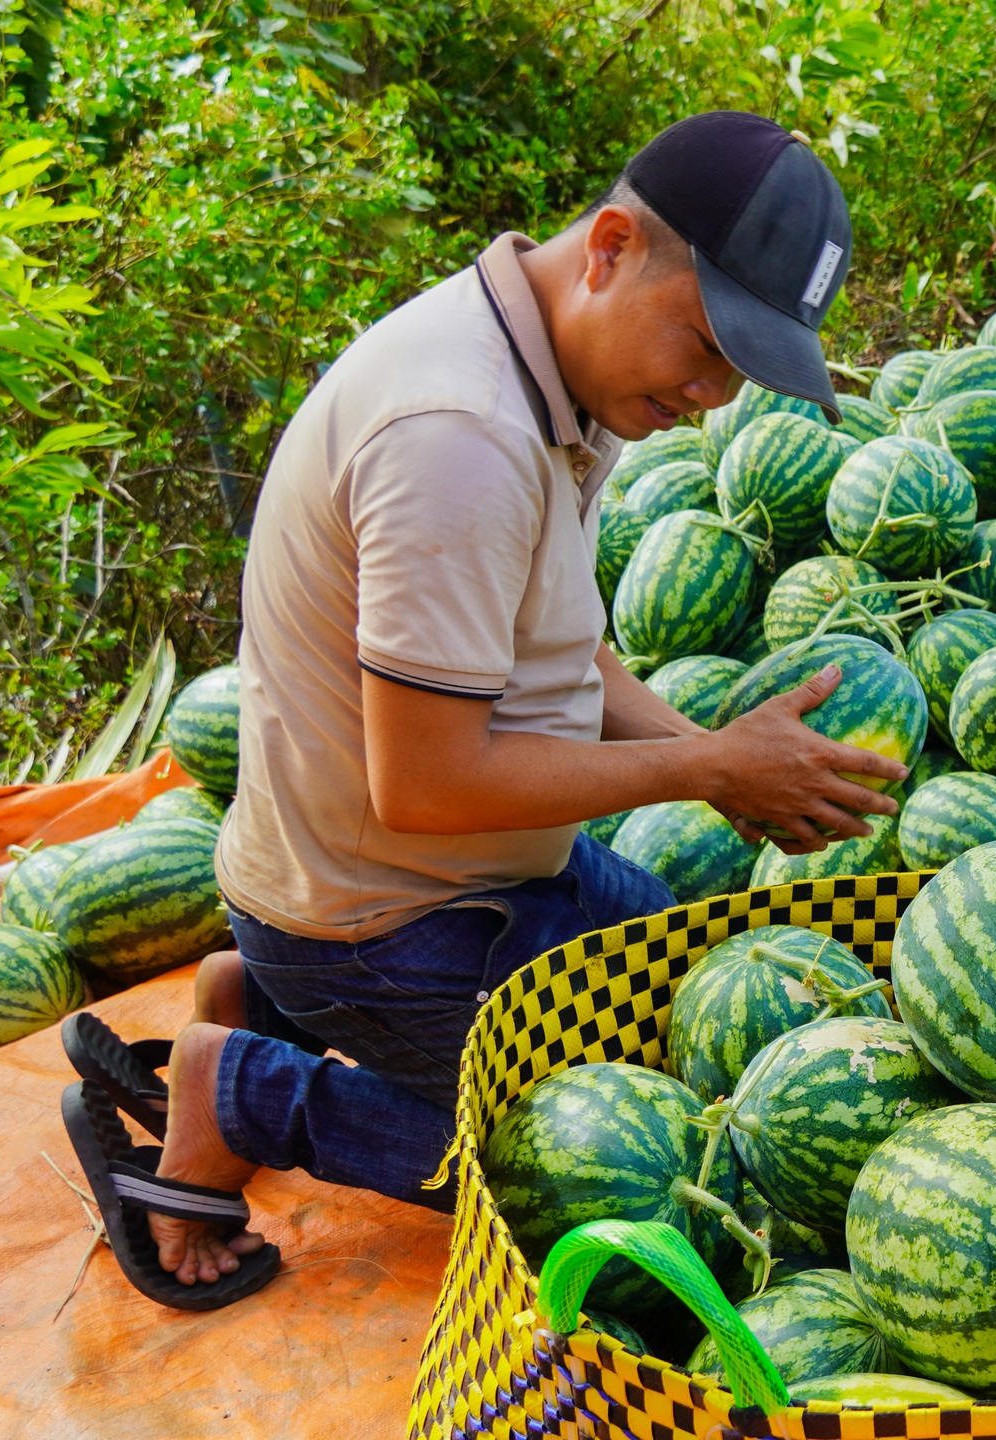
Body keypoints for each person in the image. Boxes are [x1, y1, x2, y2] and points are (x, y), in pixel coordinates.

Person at [58, 111, 910, 1309]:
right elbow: (430, 783)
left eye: (740, 373)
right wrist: (714, 775)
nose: (712, 398)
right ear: (611, 247)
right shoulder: (458, 435)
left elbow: (569, 657)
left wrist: (720, 755)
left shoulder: (557, 372)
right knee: (628, 1175)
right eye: (709, 347)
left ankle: (265, 1005)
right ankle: (242, 1092)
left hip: (463, 874)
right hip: (378, 911)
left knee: (709, 1020)